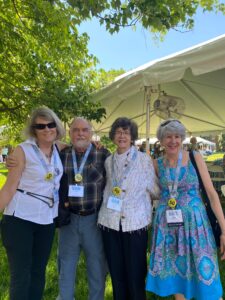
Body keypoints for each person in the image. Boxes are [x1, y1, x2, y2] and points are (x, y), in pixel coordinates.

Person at [146, 119, 225, 300]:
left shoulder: (194, 157)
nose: (173, 141)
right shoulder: (156, 164)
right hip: (169, 229)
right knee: (177, 278)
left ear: (182, 138)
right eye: (168, 137)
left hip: (196, 227)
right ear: (161, 140)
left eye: (177, 136)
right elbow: (152, 192)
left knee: (206, 279)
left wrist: (224, 230)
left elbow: (212, 194)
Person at [0, 107, 65, 300]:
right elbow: (9, 188)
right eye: (40, 126)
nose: (47, 129)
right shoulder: (22, 151)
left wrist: (95, 146)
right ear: (33, 130)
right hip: (20, 219)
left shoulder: (57, 148)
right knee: (21, 276)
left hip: (46, 220)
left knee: (38, 273)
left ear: (56, 125)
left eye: (50, 125)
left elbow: (69, 145)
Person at [97, 117, 159, 300]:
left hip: (135, 224)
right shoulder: (108, 161)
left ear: (132, 137)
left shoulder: (144, 160)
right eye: (118, 131)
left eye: (126, 132)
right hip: (110, 223)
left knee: (135, 275)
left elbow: (155, 189)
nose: (122, 135)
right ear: (113, 135)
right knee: (117, 275)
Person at [57, 117, 110, 300]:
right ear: (70, 133)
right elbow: (43, 142)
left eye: (85, 130)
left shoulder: (102, 154)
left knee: (97, 267)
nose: (80, 133)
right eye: (76, 130)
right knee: (66, 266)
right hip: (68, 220)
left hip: (94, 220)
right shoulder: (61, 155)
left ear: (91, 133)